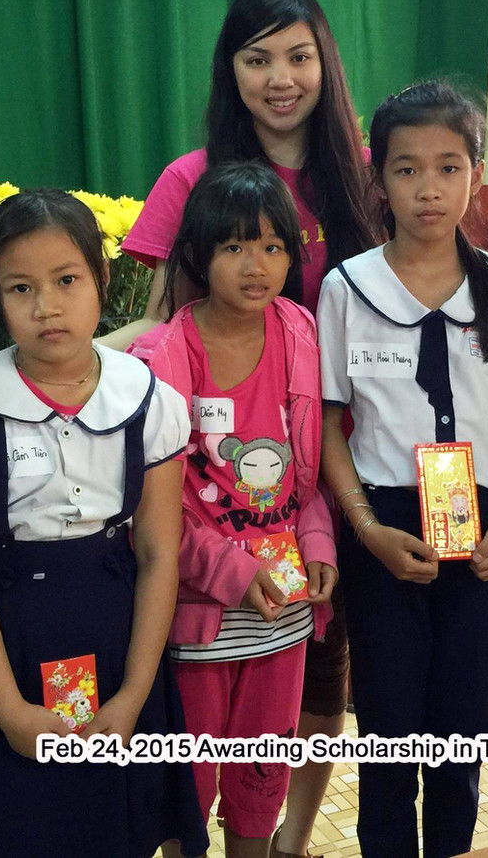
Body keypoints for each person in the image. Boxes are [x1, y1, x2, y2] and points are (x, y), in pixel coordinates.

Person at [113, 0, 376, 858]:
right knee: (201, 707)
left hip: (332, 465)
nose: (280, 78)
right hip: (209, 487)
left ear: (325, 62)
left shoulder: (365, 172)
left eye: (299, 56)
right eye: (258, 59)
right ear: (231, 70)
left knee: (314, 678)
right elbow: (155, 317)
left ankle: (284, 841)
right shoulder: (192, 178)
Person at [0, 190, 208, 858]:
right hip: (7, 650)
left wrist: (133, 696)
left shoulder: (150, 400)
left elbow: (158, 554)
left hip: (119, 640)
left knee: (113, 824)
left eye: (66, 280)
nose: (46, 307)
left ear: (103, 279)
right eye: (20, 288)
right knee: (10, 828)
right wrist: (9, 711)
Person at [317, 82, 488, 858]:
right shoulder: (348, 289)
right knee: (389, 732)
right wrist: (365, 527)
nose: (429, 188)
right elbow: (326, 422)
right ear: (379, 180)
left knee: (462, 729)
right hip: (382, 525)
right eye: (407, 168)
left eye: (449, 167)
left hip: (481, 524)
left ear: (475, 175)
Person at [148, 162, 336, 858]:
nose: (255, 265)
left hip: (283, 617)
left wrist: (318, 545)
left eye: (272, 246)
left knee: (262, 777)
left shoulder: (299, 330)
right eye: (233, 247)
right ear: (200, 255)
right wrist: (231, 572)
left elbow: (305, 474)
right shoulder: (165, 354)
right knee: (189, 786)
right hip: (201, 621)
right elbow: (154, 515)